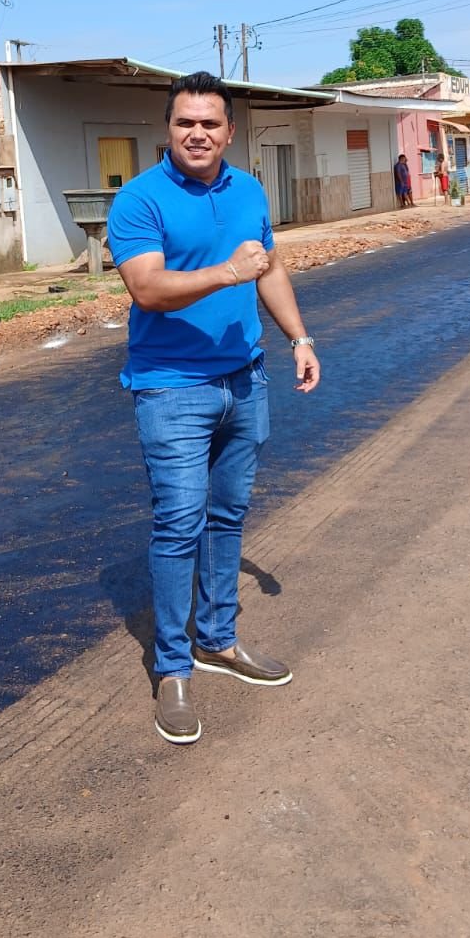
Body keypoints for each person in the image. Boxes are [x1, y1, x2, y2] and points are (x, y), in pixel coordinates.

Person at [106, 72, 321, 745]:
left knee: (227, 516)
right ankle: (172, 668)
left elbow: (269, 268)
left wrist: (299, 338)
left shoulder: (250, 190)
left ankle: (218, 640)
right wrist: (227, 272)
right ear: (168, 130)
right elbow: (147, 288)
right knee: (179, 524)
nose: (196, 134)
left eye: (209, 123)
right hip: (172, 387)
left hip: (245, 379)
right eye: (184, 123)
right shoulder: (140, 200)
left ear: (230, 131)